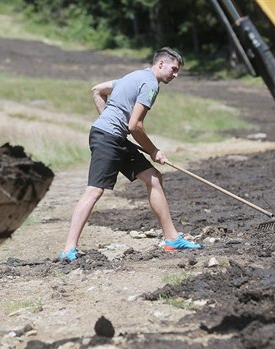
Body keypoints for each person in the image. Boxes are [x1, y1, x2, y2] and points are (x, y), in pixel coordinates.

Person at [59, 47, 204, 261]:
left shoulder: (135, 75)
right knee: (95, 191)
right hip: (108, 139)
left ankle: (172, 239)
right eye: (173, 69)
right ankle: (68, 249)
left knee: (153, 177)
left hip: (113, 136)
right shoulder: (150, 84)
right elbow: (135, 125)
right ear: (161, 64)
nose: (175, 75)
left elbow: (97, 90)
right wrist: (154, 150)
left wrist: (111, 121)